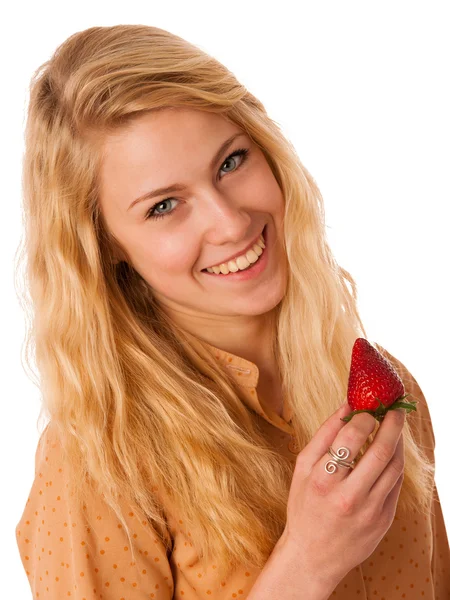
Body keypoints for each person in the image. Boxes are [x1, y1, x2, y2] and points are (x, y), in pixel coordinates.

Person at [15, 24, 449, 599]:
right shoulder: (97, 464)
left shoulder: (377, 384)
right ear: (106, 247)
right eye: (164, 206)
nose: (230, 222)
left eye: (231, 162)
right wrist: (307, 564)